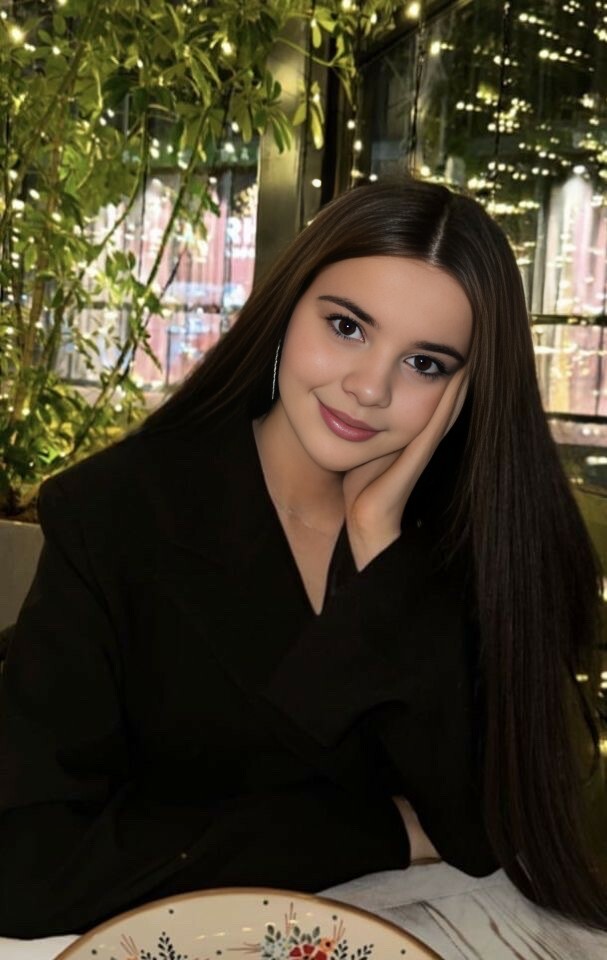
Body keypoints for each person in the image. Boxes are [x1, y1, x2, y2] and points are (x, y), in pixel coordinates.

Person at [0, 178, 606, 938]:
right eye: (347, 326)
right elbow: (27, 864)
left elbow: (485, 826)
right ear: (286, 309)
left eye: (425, 363)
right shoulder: (117, 512)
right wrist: (373, 829)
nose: (368, 388)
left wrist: (379, 549)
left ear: (467, 388)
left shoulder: (475, 539)